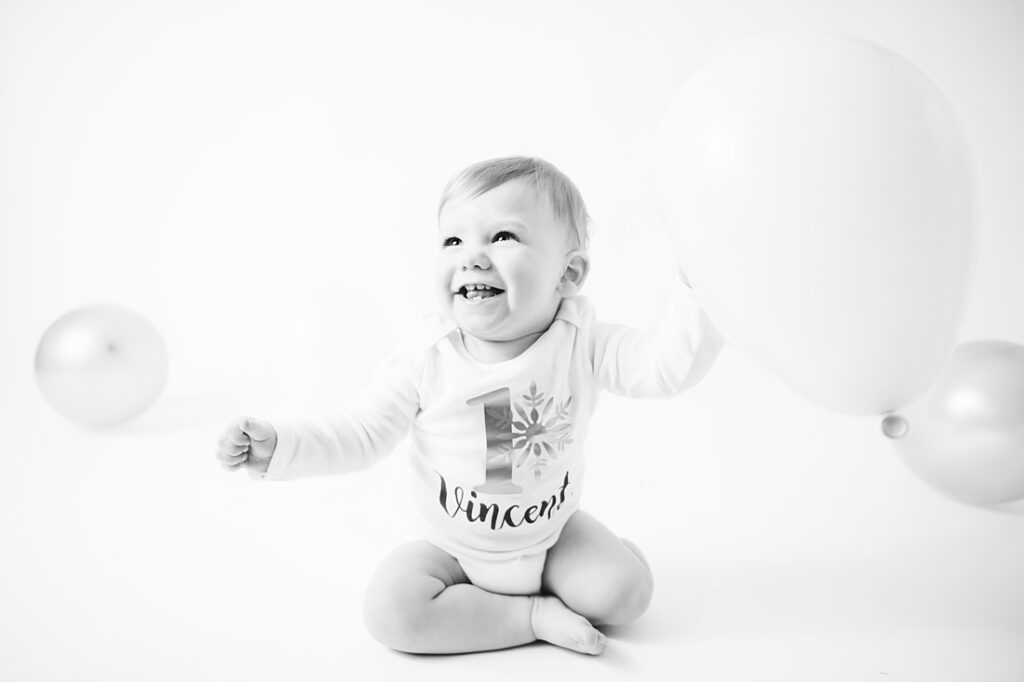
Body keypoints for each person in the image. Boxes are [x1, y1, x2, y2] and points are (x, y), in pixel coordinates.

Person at [214, 156, 723, 656]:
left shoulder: (581, 341)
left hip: (551, 538)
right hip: (452, 554)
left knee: (628, 594)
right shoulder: (428, 355)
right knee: (391, 611)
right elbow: (361, 432)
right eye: (453, 240)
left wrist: (700, 284)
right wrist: (281, 446)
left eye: (503, 237)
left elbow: (663, 367)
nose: (472, 256)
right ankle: (532, 617)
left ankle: (583, 576)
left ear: (567, 274)